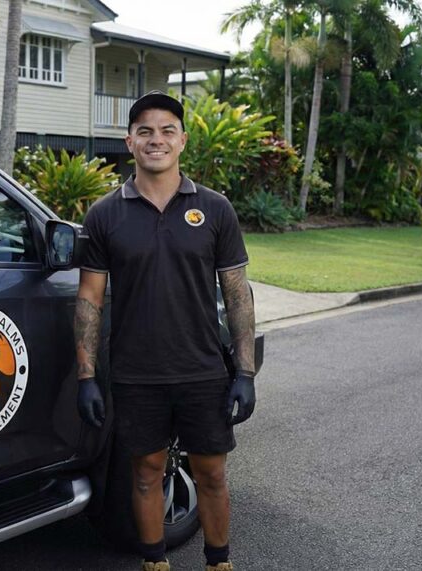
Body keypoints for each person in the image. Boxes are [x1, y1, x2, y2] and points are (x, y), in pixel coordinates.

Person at [74, 91, 257, 571]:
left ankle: (219, 563)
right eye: (146, 131)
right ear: (129, 141)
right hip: (136, 373)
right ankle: (154, 563)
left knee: (211, 473)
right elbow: (89, 299)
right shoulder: (104, 215)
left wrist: (245, 372)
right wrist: (87, 377)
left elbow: (237, 294)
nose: (157, 140)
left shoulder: (215, 210)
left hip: (202, 370)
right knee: (146, 473)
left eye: (167, 130)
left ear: (183, 140)